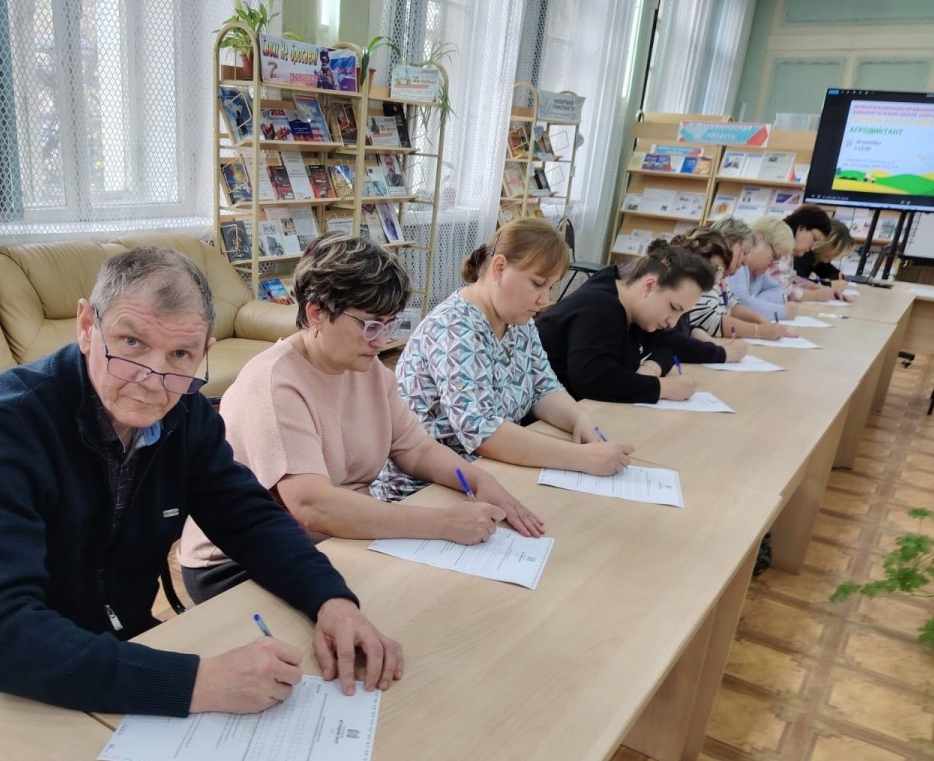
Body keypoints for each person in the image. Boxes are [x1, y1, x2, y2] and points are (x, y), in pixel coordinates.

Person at [0, 246, 402, 725]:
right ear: (86, 327)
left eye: (180, 354)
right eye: (131, 343)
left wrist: (331, 600)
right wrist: (199, 683)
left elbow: (250, 520)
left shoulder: (185, 414)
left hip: (121, 650)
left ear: (205, 352)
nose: (153, 379)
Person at [179, 234, 542, 601]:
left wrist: (478, 480)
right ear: (316, 313)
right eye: (370, 326)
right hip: (240, 560)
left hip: (330, 539)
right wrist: (444, 522)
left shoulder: (367, 370)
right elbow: (312, 506)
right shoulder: (274, 384)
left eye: (389, 324)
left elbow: (416, 449)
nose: (381, 341)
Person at [372, 219, 633, 502]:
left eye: (551, 287)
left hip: (487, 474)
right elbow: (482, 432)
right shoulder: (454, 329)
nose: (545, 299)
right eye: (538, 284)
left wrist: (579, 419)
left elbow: (544, 387)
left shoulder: (518, 321)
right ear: (499, 268)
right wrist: (582, 458)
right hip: (424, 491)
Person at [535, 240, 714, 403]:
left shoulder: (639, 311)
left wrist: (651, 369)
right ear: (649, 286)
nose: (673, 322)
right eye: (674, 308)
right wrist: (663, 388)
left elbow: (667, 345)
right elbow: (594, 380)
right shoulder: (600, 307)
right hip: (540, 418)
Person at [643, 228, 749, 366]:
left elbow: (683, 326)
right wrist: (722, 353)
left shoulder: (687, 292)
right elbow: (669, 340)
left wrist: (695, 332)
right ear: (696, 261)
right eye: (716, 269)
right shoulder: (675, 288)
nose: (718, 279)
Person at [687, 217, 796, 341]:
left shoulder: (721, 277)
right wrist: (758, 331)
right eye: (744, 252)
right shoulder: (706, 272)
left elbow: (733, 305)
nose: (745, 261)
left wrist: (762, 321)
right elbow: (708, 320)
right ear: (727, 244)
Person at [724, 216, 797, 321]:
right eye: (774, 256)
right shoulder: (737, 264)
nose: (772, 265)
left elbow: (780, 292)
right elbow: (739, 304)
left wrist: (755, 302)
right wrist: (783, 312)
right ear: (759, 239)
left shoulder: (757, 272)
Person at [772, 203, 832, 303]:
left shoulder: (789, 249)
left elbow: (789, 277)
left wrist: (813, 286)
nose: (812, 247)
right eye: (814, 239)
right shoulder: (779, 244)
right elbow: (781, 290)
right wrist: (817, 295)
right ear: (801, 228)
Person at [793, 217, 853, 301]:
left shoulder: (817, 257)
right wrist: (827, 284)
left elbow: (837, 275)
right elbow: (793, 281)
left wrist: (836, 282)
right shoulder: (804, 253)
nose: (834, 257)